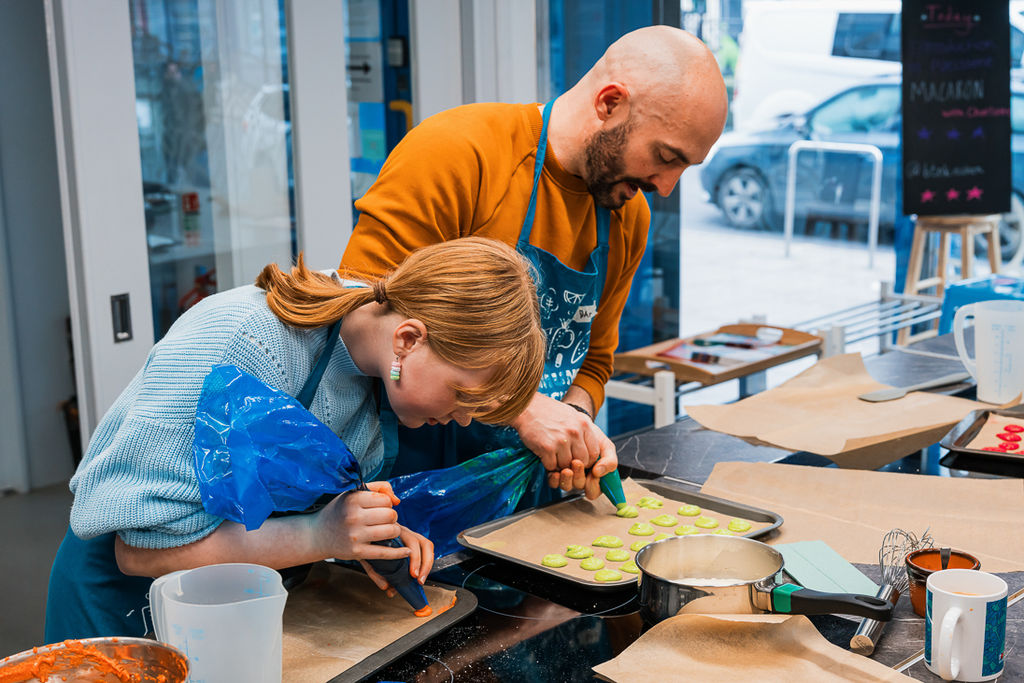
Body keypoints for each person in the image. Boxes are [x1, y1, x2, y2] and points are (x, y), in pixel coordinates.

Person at [45, 237, 545, 641]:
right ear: (409, 339)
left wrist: (363, 537)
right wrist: (317, 536)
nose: (459, 420)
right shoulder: (242, 342)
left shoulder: (376, 376)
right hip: (125, 608)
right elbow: (139, 552)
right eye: (460, 398)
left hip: (229, 609)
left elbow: (305, 502)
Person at [341, 26, 728, 501]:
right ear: (609, 104)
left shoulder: (629, 215)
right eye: (665, 157)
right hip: (406, 484)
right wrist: (524, 409)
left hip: (526, 493)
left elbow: (594, 360)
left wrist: (574, 425)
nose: (666, 186)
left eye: (684, 168)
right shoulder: (459, 154)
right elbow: (359, 310)